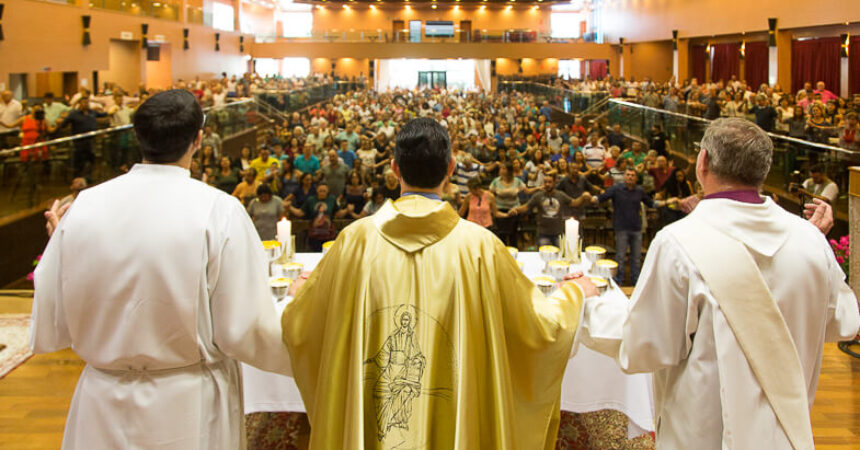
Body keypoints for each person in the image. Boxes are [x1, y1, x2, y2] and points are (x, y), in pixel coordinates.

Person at [281, 117, 594, 448]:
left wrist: (302, 294)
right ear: (452, 167)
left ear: (394, 169)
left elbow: (304, 324)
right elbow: (540, 328)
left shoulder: (354, 241)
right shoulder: (480, 247)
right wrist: (574, 293)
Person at [31, 89, 292, 449]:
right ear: (198, 139)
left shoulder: (85, 206)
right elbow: (243, 330)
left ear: (138, 137)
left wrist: (64, 237)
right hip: (186, 402)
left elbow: (54, 317)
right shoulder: (219, 210)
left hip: (102, 398)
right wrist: (312, 353)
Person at [580, 118, 859, 449]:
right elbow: (842, 322)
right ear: (763, 171)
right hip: (787, 436)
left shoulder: (678, 243)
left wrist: (588, 304)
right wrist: (811, 242)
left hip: (704, 436)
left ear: (703, 163)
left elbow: (646, 346)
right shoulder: (809, 241)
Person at [593, 168, 669, 285]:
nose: (630, 177)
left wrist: (666, 202)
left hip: (636, 228)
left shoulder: (639, 190)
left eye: (632, 175)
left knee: (636, 259)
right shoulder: (616, 189)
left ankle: (636, 283)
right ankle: (619, 282)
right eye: (628, 175)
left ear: (636, 178)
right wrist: (593, 198)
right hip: (621, 227)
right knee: (620, 257)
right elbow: (601, 198)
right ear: (624, 177)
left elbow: (651, 203)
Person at [509, 172, 593, 247]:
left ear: (554, 183)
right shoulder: (538, 196)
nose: (547, 184)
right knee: (543, 256)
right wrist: (516, 209)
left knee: (560, 257)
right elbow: (526, 207)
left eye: (550, 182)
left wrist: (583, 197)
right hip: (543, 233)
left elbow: (574, 203)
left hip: (558, 233)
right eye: (545, 182)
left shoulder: (560, 195)